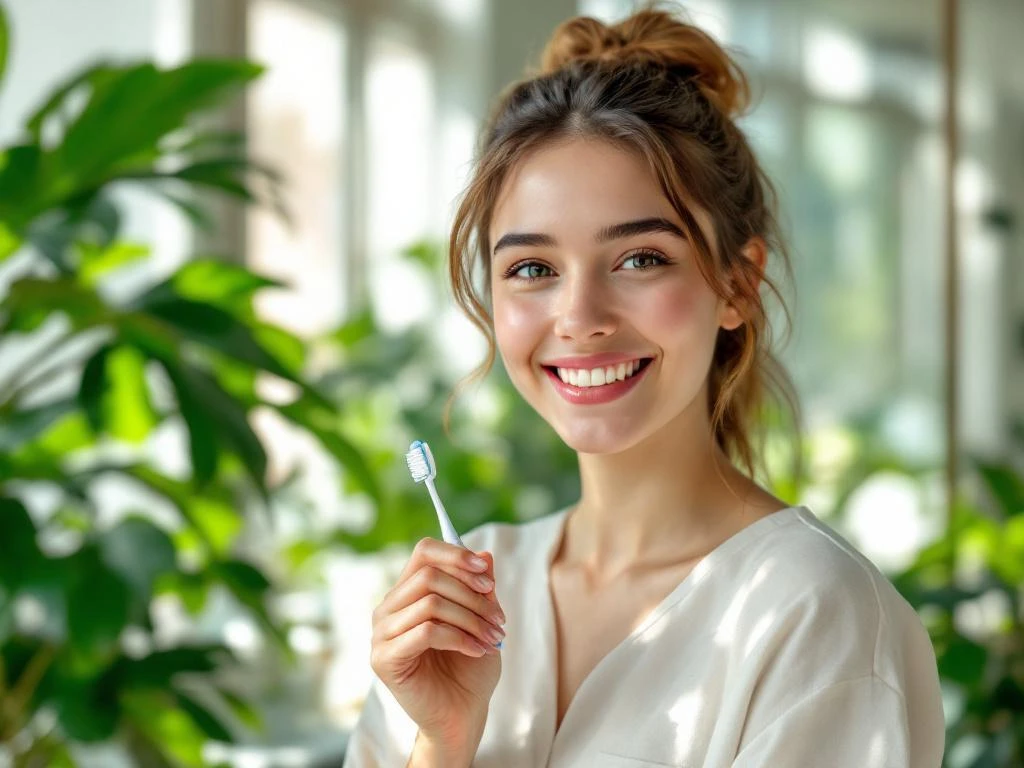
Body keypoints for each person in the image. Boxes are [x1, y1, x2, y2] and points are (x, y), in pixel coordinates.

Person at [342, 7, 945, 768]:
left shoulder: (813, 613)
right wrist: (442, 740)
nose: (580, 317)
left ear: (737, 281)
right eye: (533, 269)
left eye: (640, 259)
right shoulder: (468, 594)